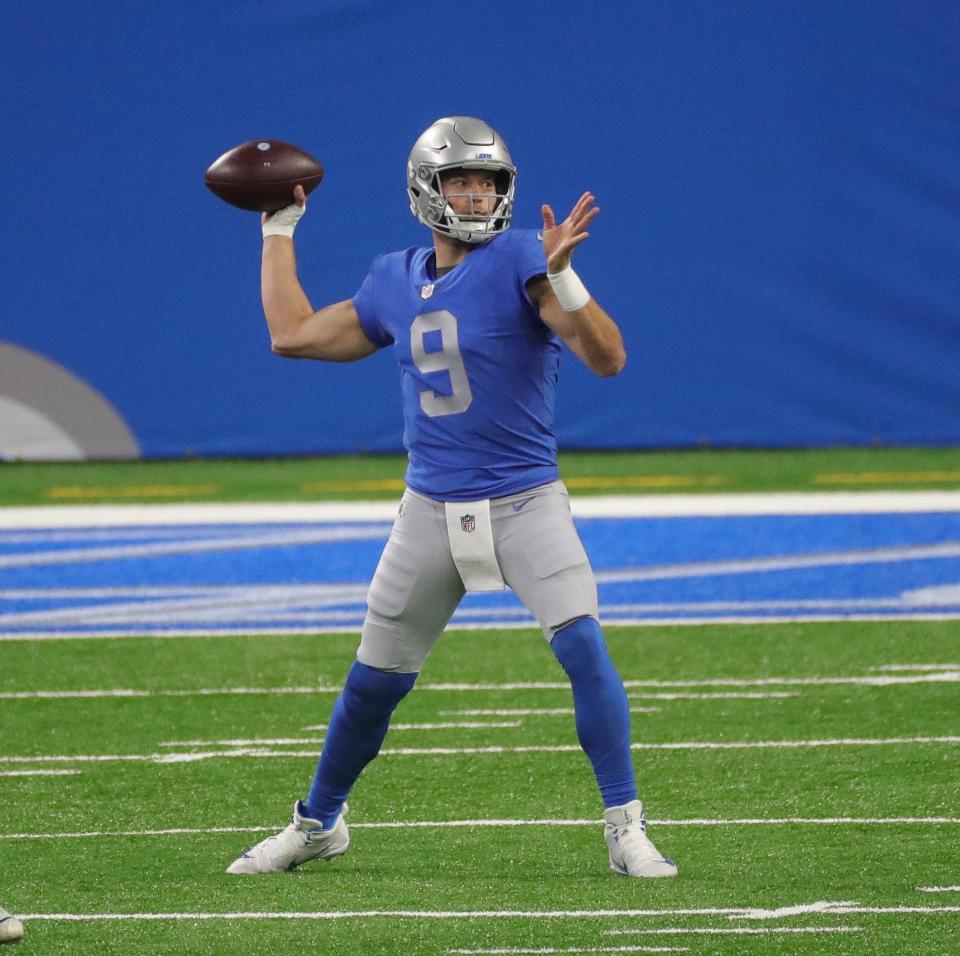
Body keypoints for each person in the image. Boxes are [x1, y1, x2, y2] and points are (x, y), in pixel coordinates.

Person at [226, 116, 677, 879]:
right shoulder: (391, 279)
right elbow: (292, 334)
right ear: (425, 190)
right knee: (373, 684)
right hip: (430, 509)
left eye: (488, 182)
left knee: (583, 649)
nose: (475, 195)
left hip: (524, 499)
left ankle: (625, 825)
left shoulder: (524, 261)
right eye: (461, 181)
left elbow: (608, 358)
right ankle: (317, 823)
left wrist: (565, 275)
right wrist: (279, 230)